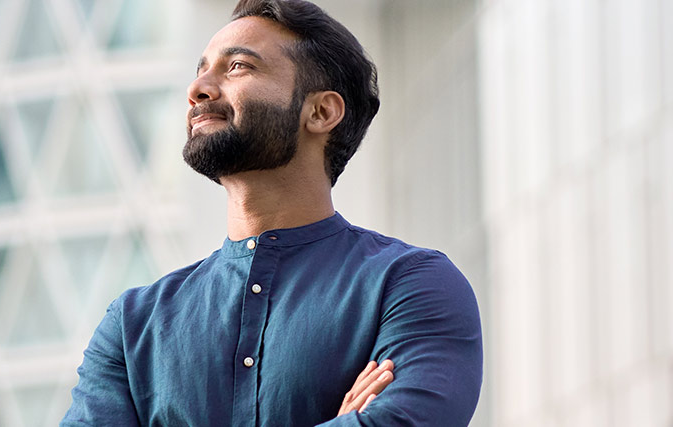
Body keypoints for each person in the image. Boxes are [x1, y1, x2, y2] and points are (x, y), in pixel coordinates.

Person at [60, 0, 483, 425]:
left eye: (238, 66)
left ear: (320, 112)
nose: (198, 89)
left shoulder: (410, 285)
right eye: (200, 70)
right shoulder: (134, 323)